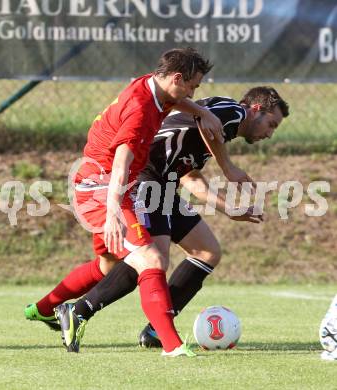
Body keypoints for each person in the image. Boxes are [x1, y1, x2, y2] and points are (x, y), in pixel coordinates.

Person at [25, 86, 289, 351]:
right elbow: (207, 120)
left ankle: (153, 329)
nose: (270, 133)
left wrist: (228, 209)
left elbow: (191, 177)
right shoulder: (234, 112)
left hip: (164, 185)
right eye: (271, 124)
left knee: (207, 251)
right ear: (255, 110)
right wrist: (228, 167)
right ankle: (80, 312)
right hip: (145, 178)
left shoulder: (217, 132)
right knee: (152, 258)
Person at [24, 47, 222, 357]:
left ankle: (46, 308)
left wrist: (201, 111)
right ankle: (172, 346)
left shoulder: (153, 86)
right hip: (101, 187)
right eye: (193, 85)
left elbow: (174, 100)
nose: (194, 92)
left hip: (108, 182)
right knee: (150, 259)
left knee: (109, 265)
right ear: (177, 77)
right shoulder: (141, 109)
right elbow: (122, 159)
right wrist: (115, 210)